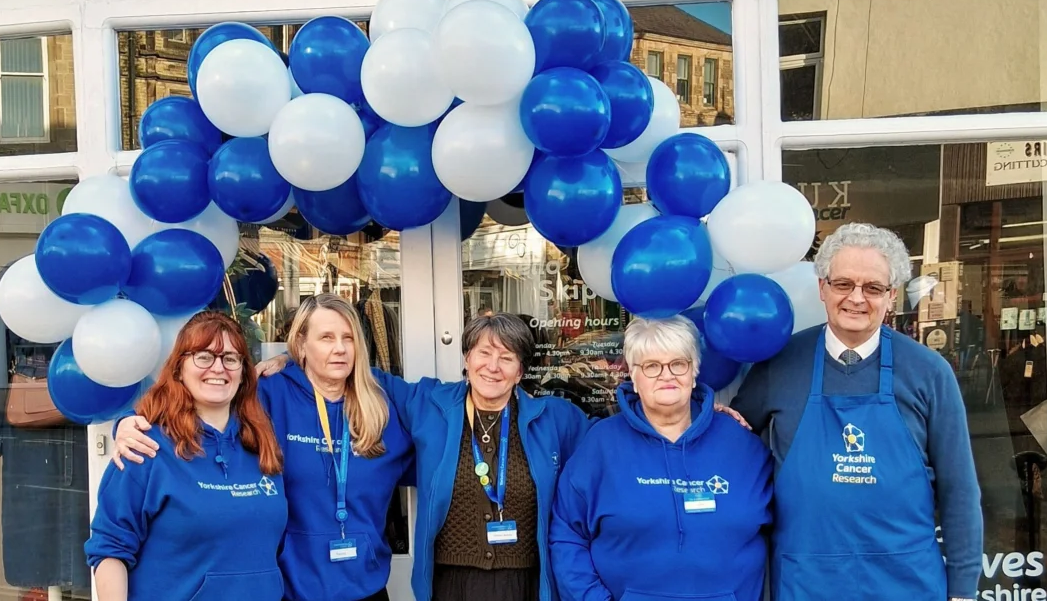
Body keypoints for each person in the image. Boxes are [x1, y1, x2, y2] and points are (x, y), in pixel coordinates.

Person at [732, 222, 984, 601]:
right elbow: (732, 445)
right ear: (822, 288)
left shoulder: (929, 372)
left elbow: (959, 489)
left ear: (892, 295)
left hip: (906, 581)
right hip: (806, 580)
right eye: (844, 284)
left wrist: (963, 589)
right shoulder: (779, 364)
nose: (857, 298)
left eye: (873, 287)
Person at [113, 294, 413, 601]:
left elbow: (440, 433)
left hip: (367, 588)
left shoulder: (382, 405)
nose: (339, 348)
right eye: (326, 337)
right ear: (300, 343)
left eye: (348, 338)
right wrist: (128, 423)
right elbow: (198, 406)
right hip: (291, 590)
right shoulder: (269, 393)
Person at [549, 316, 773, 601]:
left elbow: (785, 530)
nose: (667, 375)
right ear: (633, 375)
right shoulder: (601, 445)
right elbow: (567, 534)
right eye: (652, 366)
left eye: (678, 363)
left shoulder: (743, 446)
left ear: (694, 372)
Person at [375, 313, 591, 601]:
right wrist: (294, 361)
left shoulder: (555, 419)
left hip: (524, 584)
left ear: (520, 371)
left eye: (506, 357)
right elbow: (365, 378)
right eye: (484, 353)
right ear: (467, 359)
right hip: (451, 584)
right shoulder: (431, 405)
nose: (492, 366)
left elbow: (604, 452)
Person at [85, 311, 287, 601]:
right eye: (204, 356)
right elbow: (110, 549)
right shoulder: (145, 447)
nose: (218, 368)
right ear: (179, 368)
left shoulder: (262, 444)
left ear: (243, 373)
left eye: (230, 358)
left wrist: (286, 357)